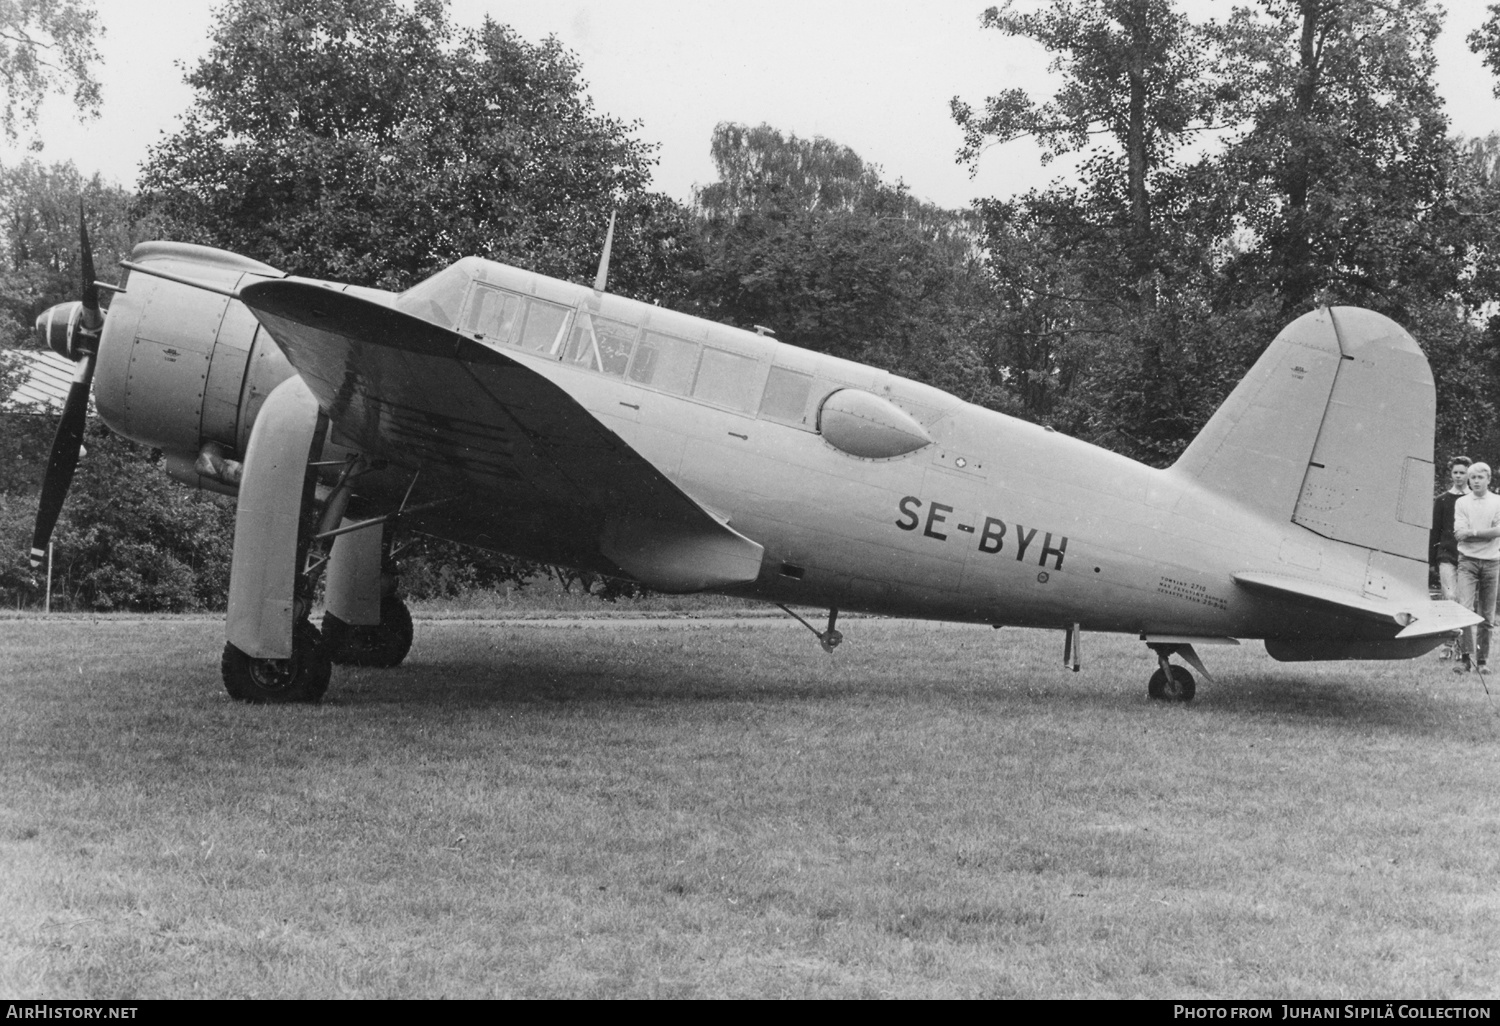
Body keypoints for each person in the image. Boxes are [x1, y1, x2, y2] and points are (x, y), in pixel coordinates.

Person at [1453, 462, 1500, 672]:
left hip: (1491, 562)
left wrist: (1472, 534)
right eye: (1473, 478)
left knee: (1487, 616)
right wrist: (1484, 533)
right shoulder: (1462, 503)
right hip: (1467, 561)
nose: (1476, 481)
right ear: (1468, 481)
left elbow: (1497, 532)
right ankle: (1465, 660)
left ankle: (1482, 662)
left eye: (1481, 477)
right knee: (1464, 609)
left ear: (1489, 479)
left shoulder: (1497, 502)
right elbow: (1458, 533)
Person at [1431, 456, 1471, 658]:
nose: (1458, 476)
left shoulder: (1474, 500)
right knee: (1450, 597)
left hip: (1468, 557)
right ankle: (1447, 645)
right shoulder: (1442, 500)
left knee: (1465, 601)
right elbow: (1435, 532)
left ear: (1468, 474)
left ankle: (1461, 647)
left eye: (1462, 472)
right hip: (1446, 555)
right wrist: (1431, 561)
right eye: (1455, 472)